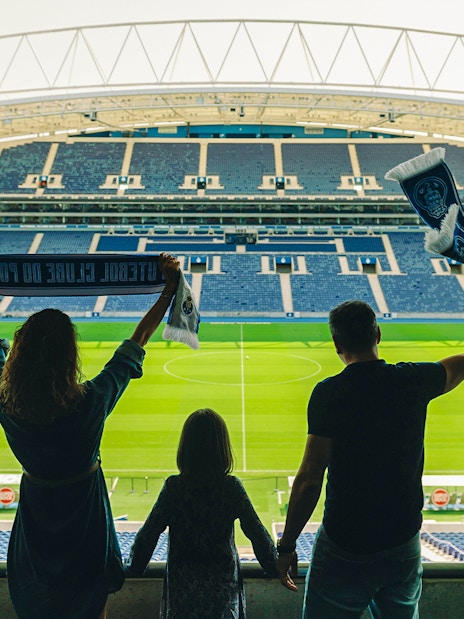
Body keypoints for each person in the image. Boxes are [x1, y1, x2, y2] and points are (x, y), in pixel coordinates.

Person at [0, 253, 180, 619]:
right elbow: (137, 342)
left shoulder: (7, 403)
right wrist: (168, 290)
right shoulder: (90, 403)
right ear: (69, 356)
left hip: (35, 520)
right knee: (90, 598)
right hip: (85, 521)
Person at [277, 300, 464, 619]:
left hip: (345, 545)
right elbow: (460, 364)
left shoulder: (329, 393)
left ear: (336, 343)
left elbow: (310, 478)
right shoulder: (413, 380)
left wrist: (287, 545)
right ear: (377, 334)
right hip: (402, 542)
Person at [124, 407, 278, 619]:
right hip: (223, 598)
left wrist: (132, 569)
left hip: (182, 598)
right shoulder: (230, 487)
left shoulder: (174, 488)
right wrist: (276, 569)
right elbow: (257, 533)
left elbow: (148, 535)